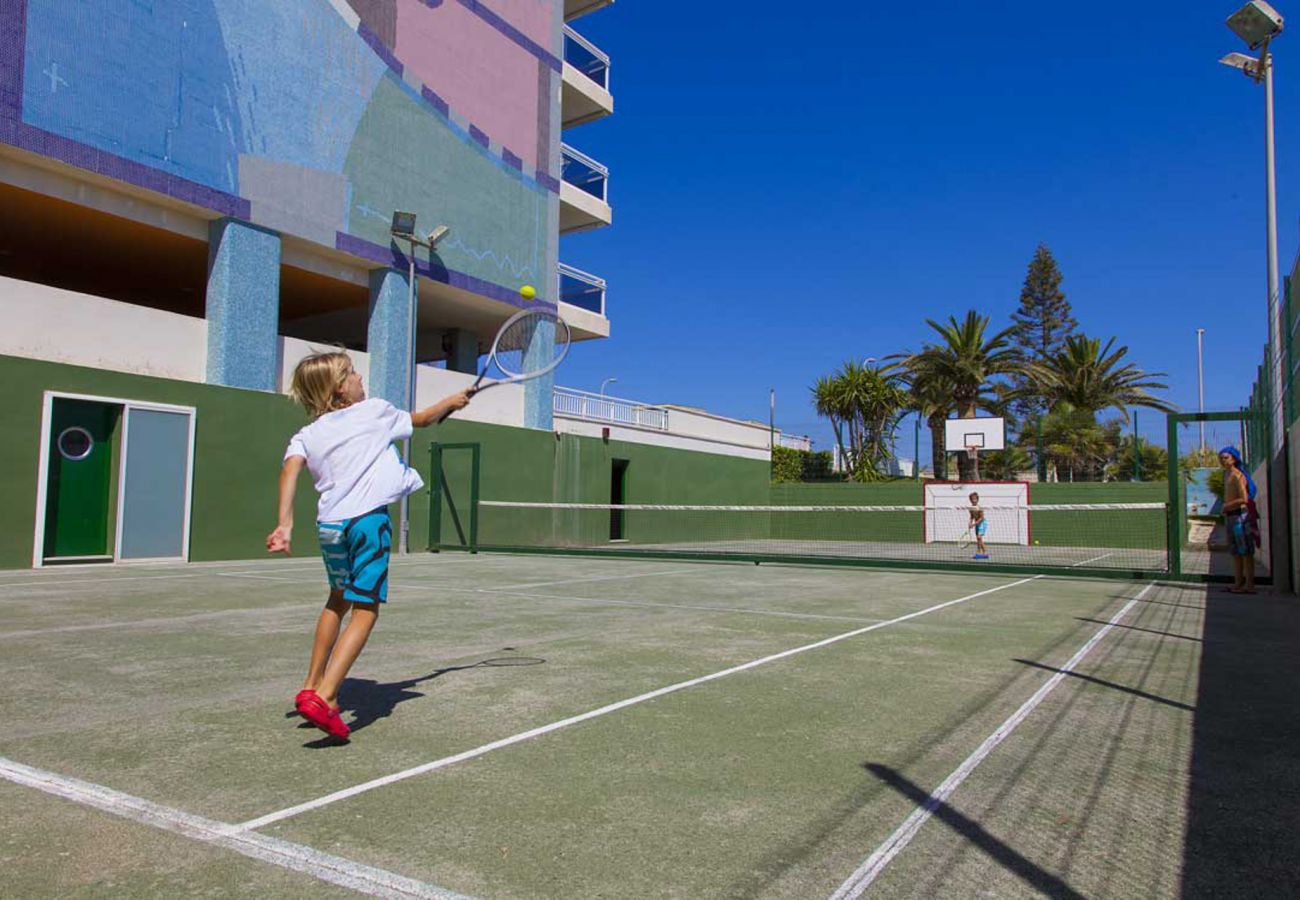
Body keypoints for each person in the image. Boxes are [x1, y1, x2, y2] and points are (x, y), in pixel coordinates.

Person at [267, 351, 471, 739]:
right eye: (353, 373)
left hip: (330, 527)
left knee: (336, 599)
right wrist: (451, 402)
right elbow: (423, 420)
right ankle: (325, 696)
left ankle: (311, 684)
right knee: (366, 609)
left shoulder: (306, 435)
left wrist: (284, 524)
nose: (361, 378)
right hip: (367, 523)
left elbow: (289, 470)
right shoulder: (374, 411)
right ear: (339, 387)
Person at [1218, 445, 1258, 594]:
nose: (1223, 460)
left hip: (1240, 517)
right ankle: (1238, 583)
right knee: (1235, 552)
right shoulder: (1226, 474)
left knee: (1246, 551)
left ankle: (1249, 585)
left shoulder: (1237, 475)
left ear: (1234, 459)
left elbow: (1244, 498)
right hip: (1230, 516)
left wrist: (1227, 505)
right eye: (1221, 458)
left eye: (1226, 457)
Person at [969, 491, 989, 560]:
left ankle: (985, 552)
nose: (973, 500)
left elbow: (981, 518)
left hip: (982, 523)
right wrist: (970, 523)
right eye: (972, 499)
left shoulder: (980, 508)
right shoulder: (971, 508)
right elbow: (971, 517)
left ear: (977, 499)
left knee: (979, 537)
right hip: (977, 524)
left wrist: (974, 524)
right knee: (978, 538)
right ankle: (980, 552)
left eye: (975, 499)